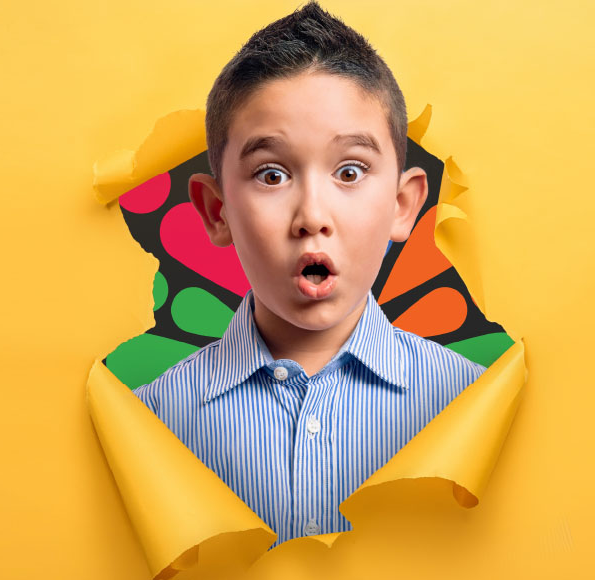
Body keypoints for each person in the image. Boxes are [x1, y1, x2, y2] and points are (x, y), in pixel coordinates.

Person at [133, 0, 486, 545]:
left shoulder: (469, 404)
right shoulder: (150, 424)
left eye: (350, 170)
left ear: (403, 204)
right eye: (271, 174)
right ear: (216, 210)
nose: (312, 217)